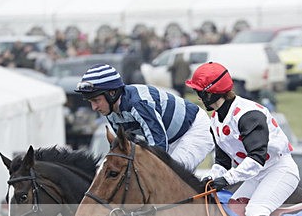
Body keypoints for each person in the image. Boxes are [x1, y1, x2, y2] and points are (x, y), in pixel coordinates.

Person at [185, 62, 299, 216]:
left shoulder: (248, 114)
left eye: (200, 92)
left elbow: (256, 158)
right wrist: (210, 179)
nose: (198, 97)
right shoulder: (215, 120)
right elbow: (222, 162)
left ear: (212, 93)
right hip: (257, 174)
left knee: (256, 211)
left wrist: (226, 180)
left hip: (279, 170)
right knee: (232, 210)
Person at [75, 63, 212, 172]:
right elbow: (126, 148)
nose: (94, 107)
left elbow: (158, 145)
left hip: (195, 129)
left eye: (96, 100)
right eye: (90, 102)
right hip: (170, 137)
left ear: (112, 93)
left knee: (170, 174)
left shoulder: (138, 103)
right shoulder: (111, 112)